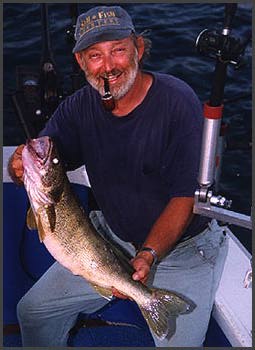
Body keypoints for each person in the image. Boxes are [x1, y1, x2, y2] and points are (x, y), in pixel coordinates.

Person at [8, 5, 228, 347]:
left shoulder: (177, 103)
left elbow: (184, 198)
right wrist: (18, 166)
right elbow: (44, 158)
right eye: (95, 55)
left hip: (181, 251)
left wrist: (148, 255)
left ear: (139, 49)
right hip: (104, 242)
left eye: (118, 50)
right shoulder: (78, 107)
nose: (108, 66)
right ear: (81, 63)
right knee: (33, 312)